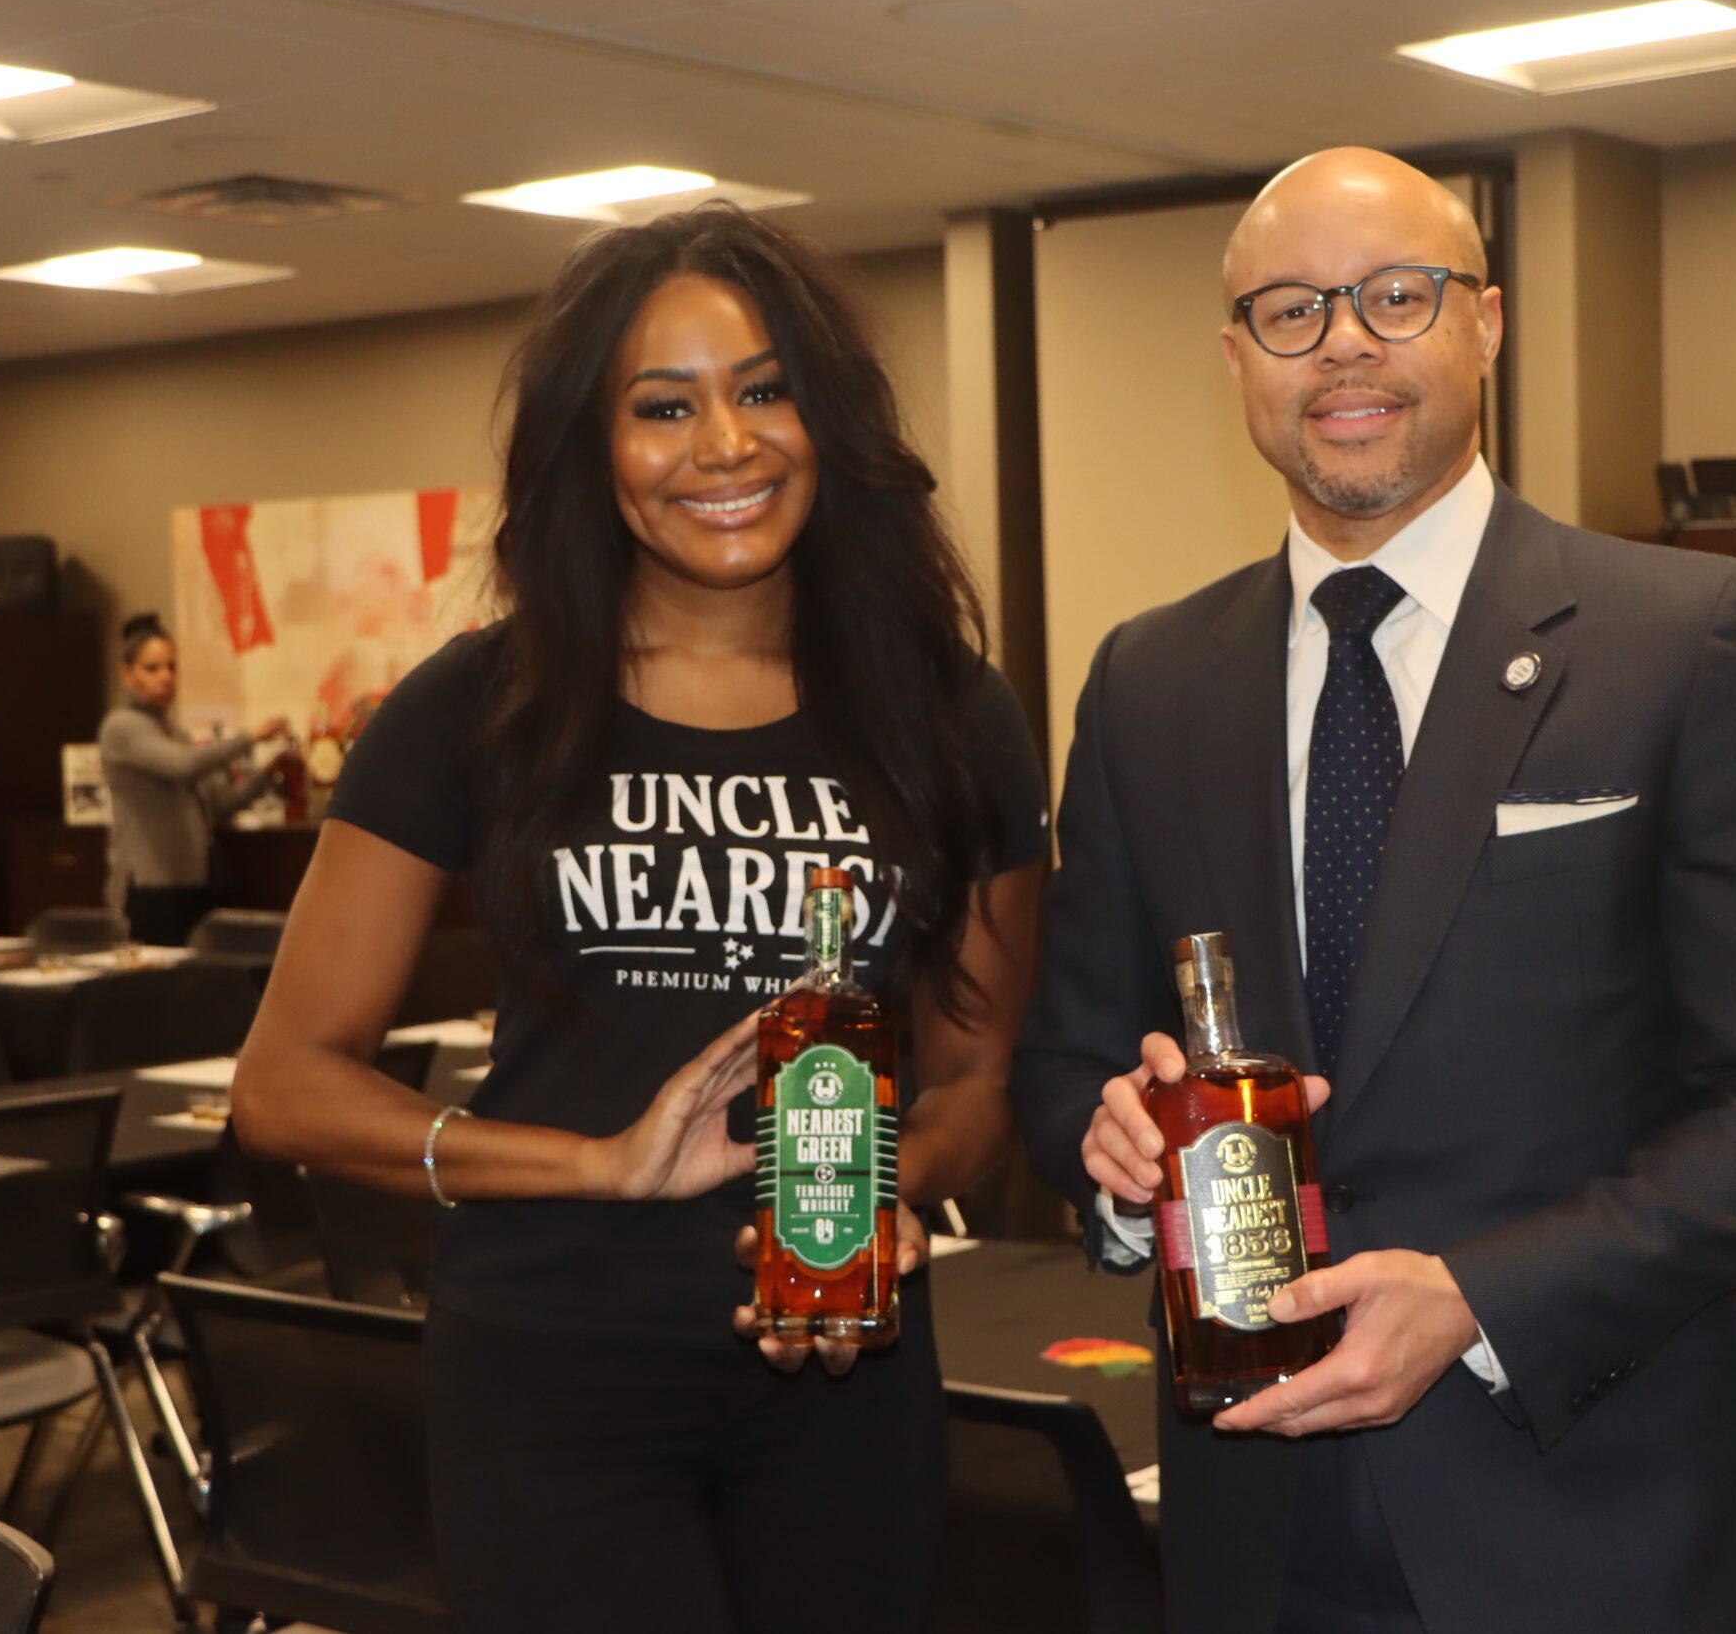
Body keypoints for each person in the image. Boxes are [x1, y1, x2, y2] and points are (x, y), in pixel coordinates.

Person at [1010, 148, 1736, 1634]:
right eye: (1291, 309)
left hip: (1585, 1516)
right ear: (1236, 359)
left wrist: (1488, 1296)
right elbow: (1063, 1059)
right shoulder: (1147, 677)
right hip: (1248, 1526)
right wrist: (1108, 1145)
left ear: (1485, 323)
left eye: (1395, 295)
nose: (1345, 340)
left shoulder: (1691, 638)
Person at [232, 206, 1047, 1634]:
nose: (723, 443)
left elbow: (982, 1073)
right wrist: (598, 1162)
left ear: (827, 416)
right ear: (591, 451)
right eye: (662, 406)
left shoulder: (953, 713)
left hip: (839, 1366)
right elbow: (286, 1080)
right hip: (549, 1367)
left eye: (765, 386)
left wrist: (878, 1189)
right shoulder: (474, 707)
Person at [97, 613, 288, 946]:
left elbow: (219, 804)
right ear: (127, 674)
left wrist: (268, 774)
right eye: (152, 668)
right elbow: (183, 765)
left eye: (172, 667)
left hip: (193, 882)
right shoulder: (121, 727)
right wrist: (250, 737)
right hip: (148, 886)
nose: (166, 677)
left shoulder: (175, 733)